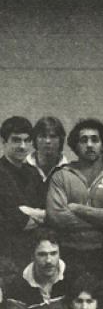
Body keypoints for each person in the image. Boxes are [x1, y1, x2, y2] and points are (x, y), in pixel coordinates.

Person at [46, 118, 103, 283]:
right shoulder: (61, 175)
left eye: (95, 139)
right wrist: (100, 218)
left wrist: (78, 209)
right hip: (69, 253)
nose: (89, 144)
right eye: (83, 140)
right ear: (75, 145)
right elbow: (57, 217)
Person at [0, 116, 46, 281]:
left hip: (32, 253)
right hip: (5, 255)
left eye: (27, 141)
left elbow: (47, 213)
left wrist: (27, 212)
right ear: (4, 142)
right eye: (16, 140)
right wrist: (32, 215)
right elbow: (12, 222)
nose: (22, 146)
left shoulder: (33, 173)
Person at [4, 229, 69, 309]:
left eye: (53, 253)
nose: (49, 260)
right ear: (32, 256)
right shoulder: (18, 286)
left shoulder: (72, 277)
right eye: (42, 254)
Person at [27, 116, 69, 187]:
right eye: (42, 136)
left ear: (60, 140)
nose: (47, 141)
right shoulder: (22, 168)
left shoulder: (69, 171)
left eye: (53, 136)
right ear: (35, 140)